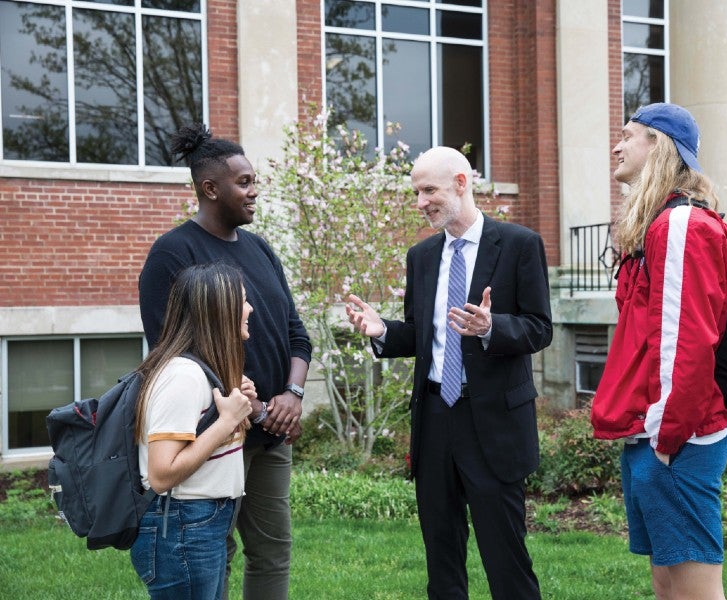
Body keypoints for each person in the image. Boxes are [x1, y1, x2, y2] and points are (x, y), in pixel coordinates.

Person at [345, 146, 552, 600]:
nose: (421, 201)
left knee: (507, 559)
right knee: (441, 556)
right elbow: (423, 334)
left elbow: (540, 329)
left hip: (494, 423)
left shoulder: (518, 245)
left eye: (429, 190)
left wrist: (492, 327)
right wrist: (383, 331)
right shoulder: (421, 256)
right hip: (436, 416)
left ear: (461, 183)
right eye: (417, 192)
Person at [139, 124, 313, 600]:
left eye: (254, 180)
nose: (254, 191)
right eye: (244, 182)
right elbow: (175, 351)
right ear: (209, 188)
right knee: (212, 551)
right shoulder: (173, 254)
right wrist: (254, 409)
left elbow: (297, 334)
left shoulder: (260, 250)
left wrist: (292, 397)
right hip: (214, 434)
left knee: (273, 550)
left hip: (272, 436)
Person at [591, 103, 727, 600]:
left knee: (695, 592)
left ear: (657, 144)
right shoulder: (658, 225)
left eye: (628, 135)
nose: (617, 144)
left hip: (677, 438)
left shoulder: (681, 227)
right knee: (668, 587)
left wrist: (666, 436)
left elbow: (688, 343)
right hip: (654, 432)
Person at [131, 262, 254, 599]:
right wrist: (227, 421)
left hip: (198, 523)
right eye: (242, 300)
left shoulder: (200, 371)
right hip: (183, 526)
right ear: (219, 311)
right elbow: (161, 474)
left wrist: (232, 407)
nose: (250, 308)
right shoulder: (182, 376)